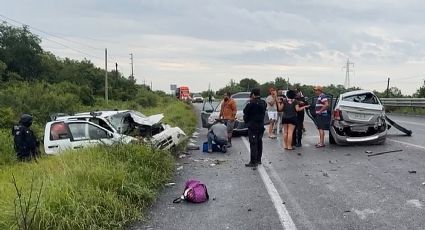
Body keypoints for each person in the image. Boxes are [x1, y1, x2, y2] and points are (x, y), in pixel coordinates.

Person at [243, 88, 267, 167]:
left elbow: (245, 111)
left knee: (253, 143)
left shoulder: (251, 103)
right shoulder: (263, 102)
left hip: (253, 126)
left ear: (253, 94)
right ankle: (258, 159)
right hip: (261, 125)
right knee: (259, 142)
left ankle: (253, 161)